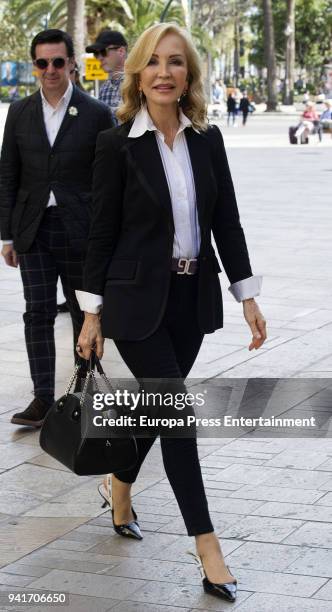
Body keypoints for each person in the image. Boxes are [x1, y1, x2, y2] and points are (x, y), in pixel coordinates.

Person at [75, 22, 266, 603]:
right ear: (138, 72)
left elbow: (225, 218)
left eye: (176, 62)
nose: (164, 72)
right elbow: (100, 231)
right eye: (154, 62)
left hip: (192, 298)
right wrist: (90, 313)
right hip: (135, 303)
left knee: (158, 411)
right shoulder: (116, 144)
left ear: (189, 76)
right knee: (177, 416)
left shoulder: (207, 139)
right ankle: (208, 549)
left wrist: (246, 290)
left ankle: (121, 485)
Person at [0, 29, 112, 427]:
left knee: (87, 314)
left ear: (72, 64)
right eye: (42, 63)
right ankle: (42, 399)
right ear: (34, 66)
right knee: (38, 313)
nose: (50, 70)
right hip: (33, 230)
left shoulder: (96, 113)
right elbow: (8, 174)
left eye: (58, 62)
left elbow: (108, 180)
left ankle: (86, 397)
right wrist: (7, 236)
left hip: (80, 230)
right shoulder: (19, 111)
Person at [86, 30, 127, 125]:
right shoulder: (103, 89)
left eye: (103, 52)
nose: (99, 58)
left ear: (121, 51)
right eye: (96, 54)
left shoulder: (140, 83)